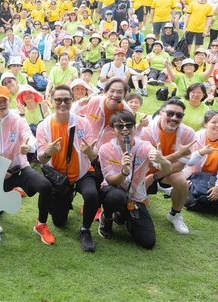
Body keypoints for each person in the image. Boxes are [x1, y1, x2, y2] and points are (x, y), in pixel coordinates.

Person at [0, 86, 55, 245]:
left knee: (45, 186)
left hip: (20, 169)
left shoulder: (18, 120)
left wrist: (29, 146)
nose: (1, 104)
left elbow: (30, 138)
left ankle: (40, 225)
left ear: (9, 101)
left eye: (4, 100)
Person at [36, 85, 99, 252]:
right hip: (58, 177)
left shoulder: (82, 122)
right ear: (51, 101)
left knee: (92, 194)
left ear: (72, 101)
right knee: (59, 222)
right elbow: (40, 158)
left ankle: (85, 230)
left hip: (81, 173)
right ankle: (65, 196)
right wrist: (48, 153)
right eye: (58, 100)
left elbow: (94, 156)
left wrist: (90, 152)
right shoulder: (44, 126)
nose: (62, 103)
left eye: (66, 99)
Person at [98, 111, 171, 249]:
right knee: (116, 196)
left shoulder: (144, 146)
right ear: (113, 130)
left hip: (135, 197)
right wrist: (124, 172)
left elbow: (166, 169)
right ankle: (107, 217)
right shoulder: (105, 149)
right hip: (114, 190)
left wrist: (163, 161)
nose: (125, 129)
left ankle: (122, 215)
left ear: (134, 127)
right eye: (120, 126)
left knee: (148, 241)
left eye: (129, 125)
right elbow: (110, 180)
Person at [141, 98, 196, 235]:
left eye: (179, 115)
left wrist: (155, 177)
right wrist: (178, 154)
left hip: (166, 172)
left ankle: (175, 214)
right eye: (170, 113)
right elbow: (150, 161)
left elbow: (181, 164)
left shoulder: (188, 133)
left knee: (182, 182)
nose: (174, 118)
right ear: (161, 113)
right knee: (140, 211)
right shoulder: (146, 131)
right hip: (144, 169)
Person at [184, 110, 218, 212]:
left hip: (216, 177)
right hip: (196, 175)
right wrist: (200, 152)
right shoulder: (196, 137)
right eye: (213, 122)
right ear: (205, 124)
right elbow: (188, 162)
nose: (217, 125)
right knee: (202, 197)